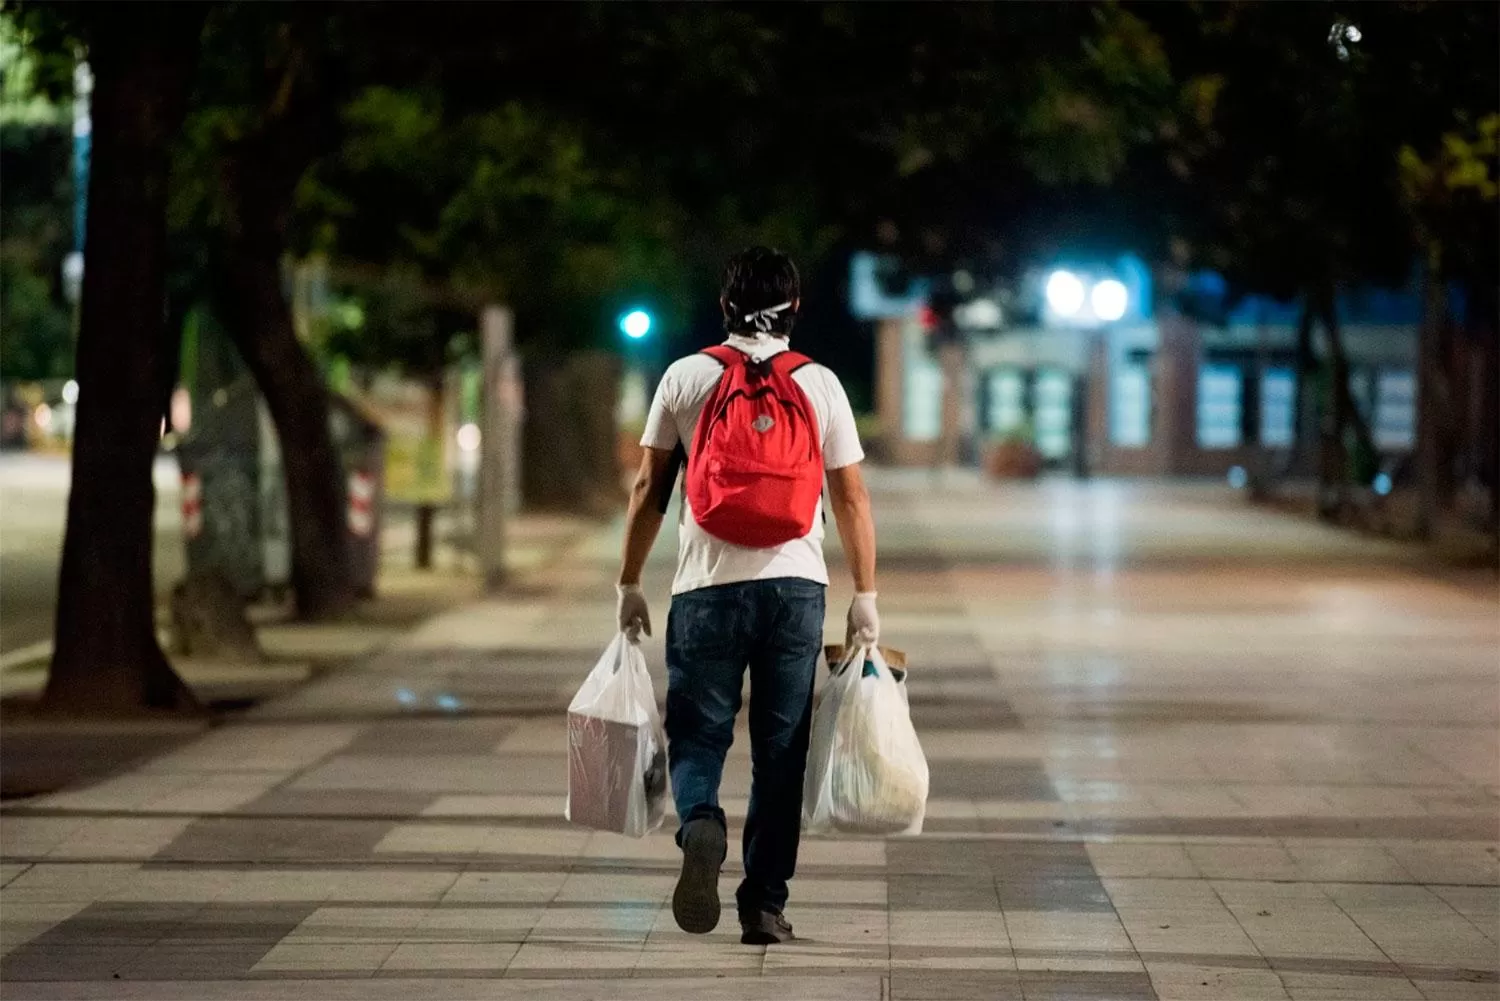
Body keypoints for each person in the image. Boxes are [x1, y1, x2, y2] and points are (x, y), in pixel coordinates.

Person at [615, 246, 879, 945]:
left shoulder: (686, 377)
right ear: (795, 308)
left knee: (698, 732)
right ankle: (763, 904)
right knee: (780, 749)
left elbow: (649, 491)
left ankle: (701, 819)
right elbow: (850, 496)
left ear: (724, 305)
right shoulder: (819, 383)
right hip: (796, 588)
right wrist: (866, 594)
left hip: (705, 587)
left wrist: (629, 581)